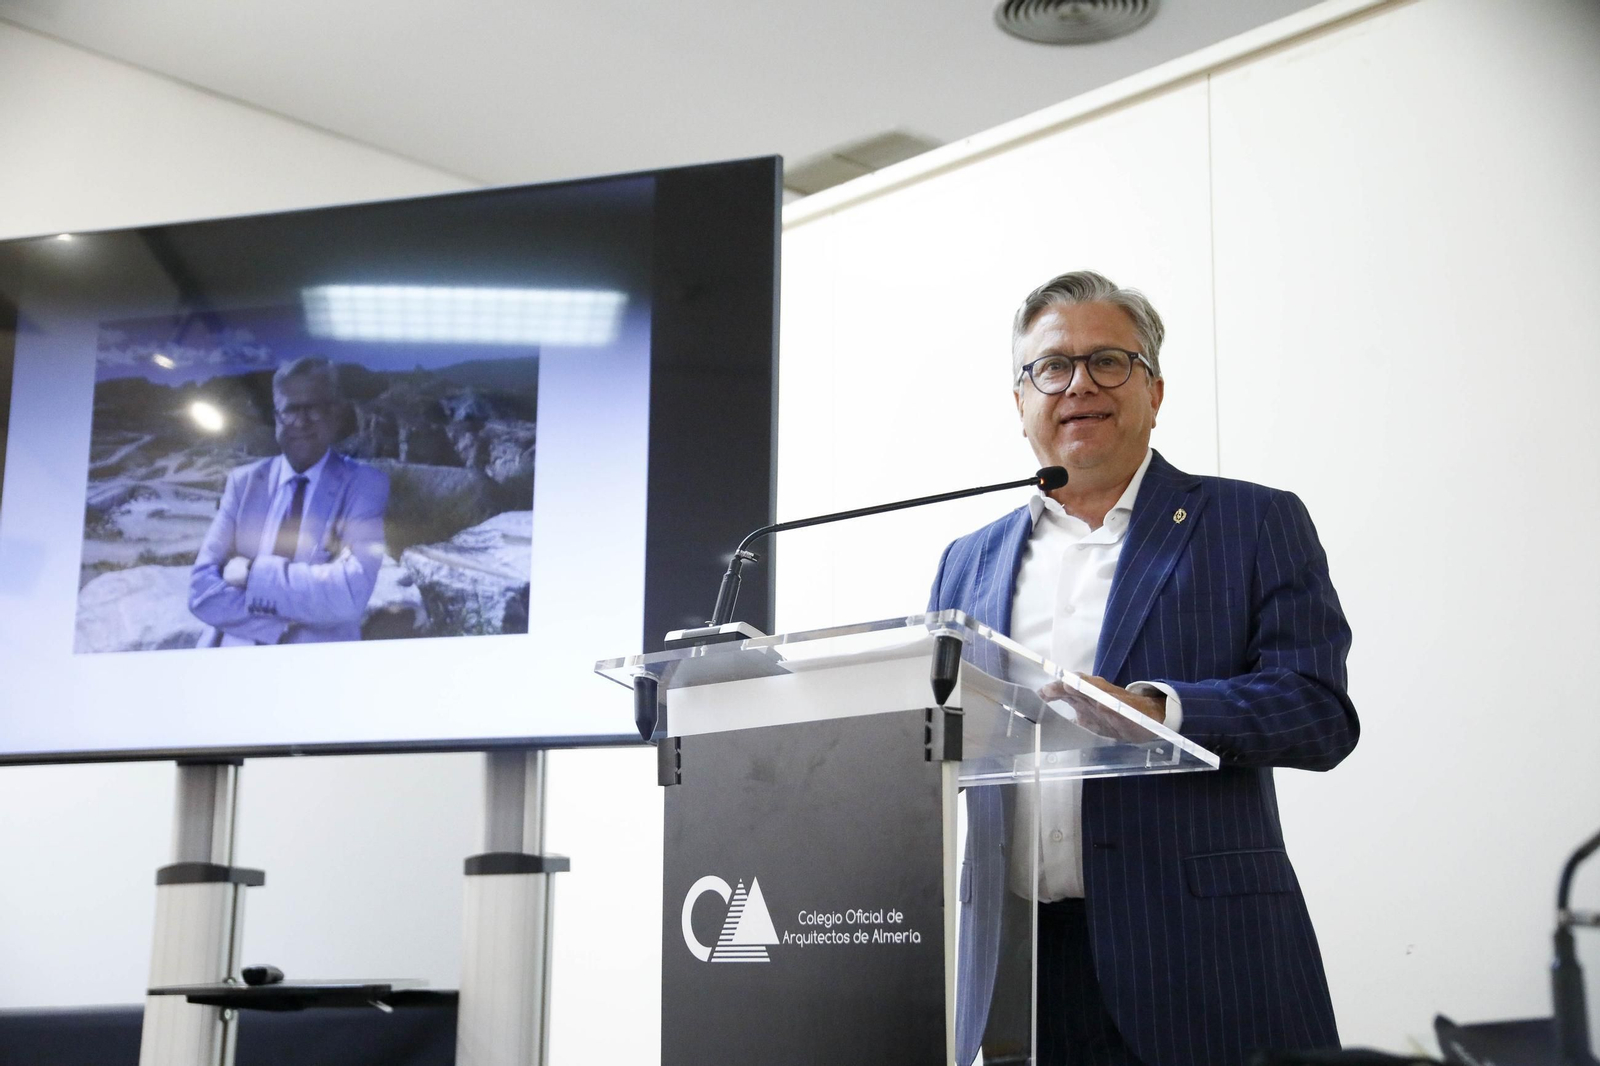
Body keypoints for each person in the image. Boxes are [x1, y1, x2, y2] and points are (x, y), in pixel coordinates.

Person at [927, 271, 1359, 1066]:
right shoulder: (966, 562)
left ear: (1154, 390)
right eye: (1052, 368)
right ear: (1020, 401)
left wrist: (1163, 713)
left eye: (1109, 363)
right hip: (1021, 965)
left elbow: (1319, 709)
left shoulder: (1252, 521)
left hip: (1202, 957)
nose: (1079, 384)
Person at [189, 356, 389, 646]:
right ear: (276, 416)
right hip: (231, 655)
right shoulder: (243, 482)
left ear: (334, 414)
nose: (302, 422)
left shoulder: (365, 484)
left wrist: (250, 572)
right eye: (292, 410)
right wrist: (281, 629)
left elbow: (349, 592)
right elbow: (201, 590)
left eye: (315, 409)